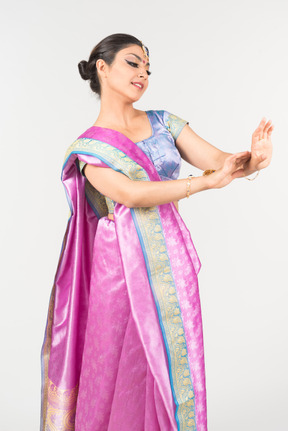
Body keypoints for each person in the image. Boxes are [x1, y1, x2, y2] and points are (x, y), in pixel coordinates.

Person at [40, 33, 273, 431]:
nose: (143, 73)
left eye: (148, 67)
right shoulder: (89, 149)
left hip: (172, 263)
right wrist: (203, 183)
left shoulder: (164, 121)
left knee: (173, 368)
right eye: (133, 63)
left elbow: (219, 161)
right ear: (103, 66)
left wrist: (252, 161)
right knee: (116, 365)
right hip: (119, 272)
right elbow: (130, 194)